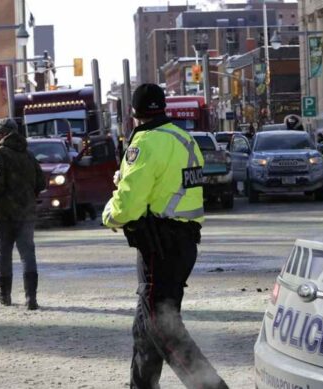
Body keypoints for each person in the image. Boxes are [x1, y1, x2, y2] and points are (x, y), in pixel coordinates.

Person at [102, 84, 228, 389]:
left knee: (162, 326)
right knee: (145, 330)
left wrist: (109, 214)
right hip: (183, 243)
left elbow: (127, 207)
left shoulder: (145, 143)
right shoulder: (182, 138)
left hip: (159, 246)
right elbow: (172, 185)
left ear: (134, 114)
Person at [0, 118, 46, 310]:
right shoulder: (28, 154)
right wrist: (27, 196)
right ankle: (31, 299)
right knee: (28, 254)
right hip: (26, 213)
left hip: (3, 214)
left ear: (2, 134)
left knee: (4, 253)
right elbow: (41, 183)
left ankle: (5, 295)